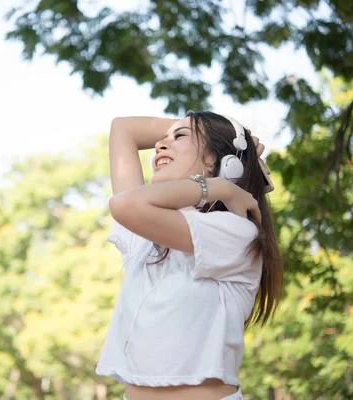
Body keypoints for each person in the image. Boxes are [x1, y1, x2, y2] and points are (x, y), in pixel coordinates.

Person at [96, 111, 283, 400]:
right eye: (162, 139)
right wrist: (226, 139)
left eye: (178, 137)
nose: (159, 145)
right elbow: (123, 128)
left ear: (216, 161)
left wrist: (220, 176)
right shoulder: (147, 232)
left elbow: (123, 205)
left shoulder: (234, 231)